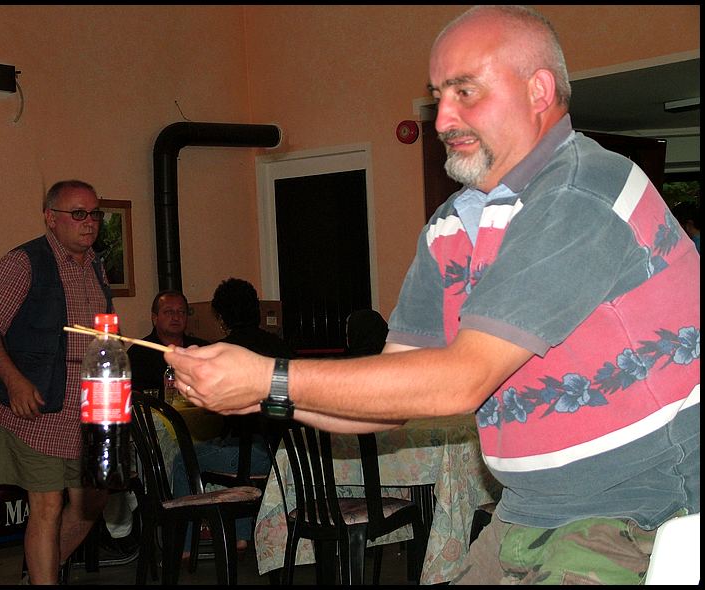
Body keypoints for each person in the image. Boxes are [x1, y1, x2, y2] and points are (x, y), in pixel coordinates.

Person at [165, 5, 700, 585]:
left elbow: (461, 380)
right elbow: (395, 394)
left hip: (640, 512)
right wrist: (260, 397)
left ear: (538, 90)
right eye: (438, 96)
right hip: (529, 509)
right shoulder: (451, 225)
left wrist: (268, 377)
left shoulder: (582, 190)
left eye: (465, 92)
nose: (443, 118)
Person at [0, 180, 113, 584]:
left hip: (88, 412)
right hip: (39, 409)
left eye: (94, 214)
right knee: (46, 508)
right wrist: (13, 381)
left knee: (92, 502)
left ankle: (36, 576)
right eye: (78, 213)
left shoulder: (96, 266)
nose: (89, 222)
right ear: (51, 218)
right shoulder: (24, 262)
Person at [171, 277, 294, 557]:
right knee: (238, 444)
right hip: (288, 453)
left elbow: (211, 408)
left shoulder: (222, 353)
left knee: (183, 459)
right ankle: (239, 535)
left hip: (254, 455)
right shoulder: (281, 348)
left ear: (221, 317)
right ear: (256, 309)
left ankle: (185, 546)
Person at [127, 289, 209, 394]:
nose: (176, 317)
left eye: (181, 312)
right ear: (155, 318)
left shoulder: (201, 349)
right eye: (169, 312)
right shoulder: (138, 354)